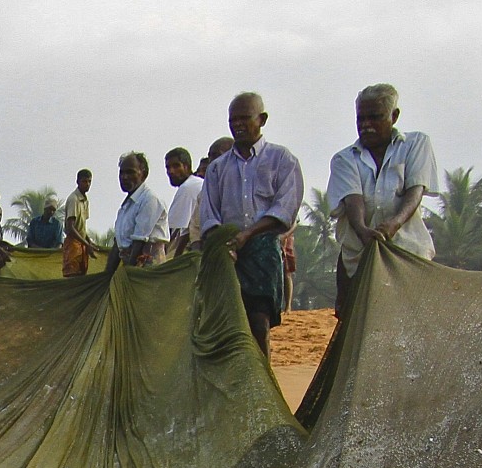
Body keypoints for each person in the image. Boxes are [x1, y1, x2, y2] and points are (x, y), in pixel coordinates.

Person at [197, 93, 304, 355]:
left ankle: (261, 384)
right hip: (228, 253)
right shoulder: (217, 168)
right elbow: (209, 214)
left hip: (263, 250)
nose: (238, 125)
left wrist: (249, 234)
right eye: (233, 120)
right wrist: (226, 245)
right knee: (230, 323)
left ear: (262, 119)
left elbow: (285, 208)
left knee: (259, 322)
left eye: (245, 118)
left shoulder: (282, 160)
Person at [325, 84, 443, 322]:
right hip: (358, 258)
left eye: (375, 117)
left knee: (411, 320)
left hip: (408, 252)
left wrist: (394, 224)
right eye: (361, 118)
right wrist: (363, 230)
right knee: (360, 323)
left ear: (394, 116)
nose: (366, 125)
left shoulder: (415, 144)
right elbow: (352, 200)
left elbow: (415, 190)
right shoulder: (344, 158)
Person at [111, 152, 168, 266]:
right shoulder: (126, 206)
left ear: (144, 174)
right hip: (132, 265)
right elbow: (118, 245)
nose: (124, 177)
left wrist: (130, 272)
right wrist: (106, 276)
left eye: (130, 172)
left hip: (148, 269)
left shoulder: (149, 200)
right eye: (121, 173)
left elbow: (139, 242)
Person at [164, 148, 204, 254]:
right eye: (168, 168)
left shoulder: (188, 187)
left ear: (187, 166)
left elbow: (178, 230)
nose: (171, 171)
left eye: (176, 166)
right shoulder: (199, 183)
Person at [62, 168, 94, 275]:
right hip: (73, 244)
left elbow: (82, 227)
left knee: (81, 274)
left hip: (81, 243)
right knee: (72, 275)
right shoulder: (73, 199)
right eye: (84, 181)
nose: (87, 184)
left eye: (89, 181)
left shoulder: (85, 200)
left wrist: (88, 242)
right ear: (78, 182)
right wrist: (86, 243)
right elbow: (70, 228)